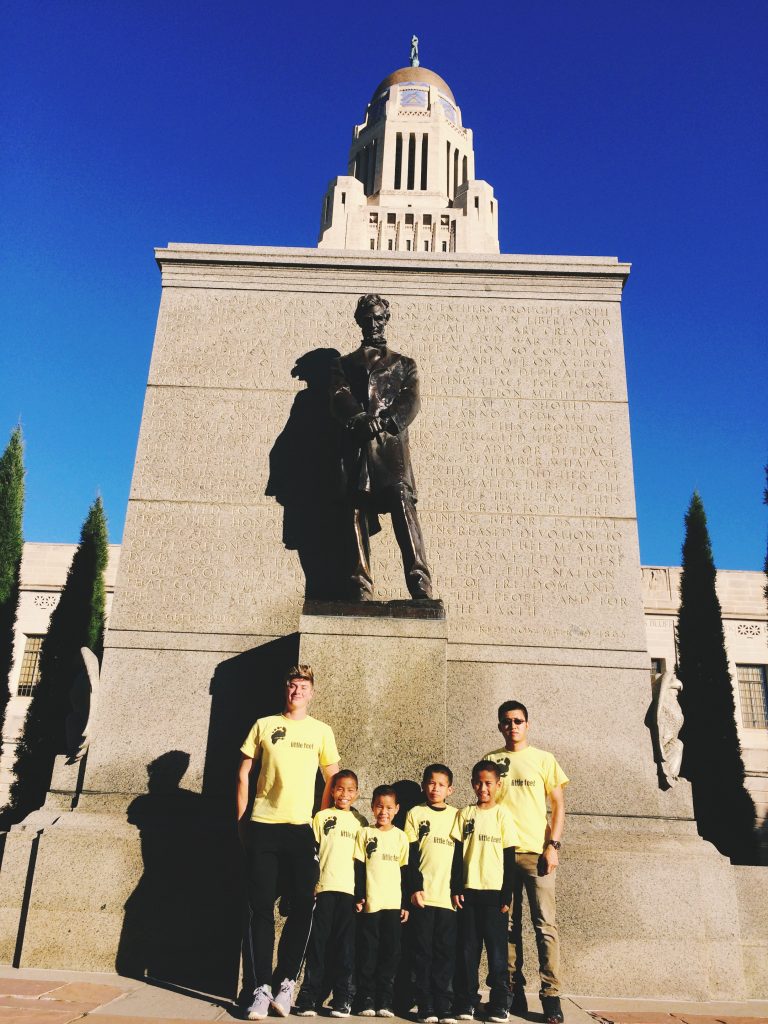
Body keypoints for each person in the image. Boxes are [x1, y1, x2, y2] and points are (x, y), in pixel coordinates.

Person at [237, 665, 340, 1020]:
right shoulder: (264, 725)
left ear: (312, 693)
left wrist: (320, 819)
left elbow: (334, 778)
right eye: (292, 685)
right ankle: (260, 988)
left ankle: (286, 982)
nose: (297, 691)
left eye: (303, 686)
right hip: (264, 824)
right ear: (286, 690)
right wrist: (242, 822)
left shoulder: (321, 731)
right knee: (261, 908)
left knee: (303, 905)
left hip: (301, 829)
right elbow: (243, 774)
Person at [329, 293, 433, 601]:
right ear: (360, 321)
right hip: (358, 449)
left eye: (380, 318)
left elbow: (411, 400)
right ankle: (360, 585)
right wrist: (360, 418)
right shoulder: (343, 364)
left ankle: (420, 583)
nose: (375, 324)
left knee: (403, 508)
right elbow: (338, 394)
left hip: (390, 450)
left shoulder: (404, 364)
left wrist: (388, 420)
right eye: (369, 318)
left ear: (386, 321)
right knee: (356, 513)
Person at [484, 702, 568, 1024]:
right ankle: (510, 991)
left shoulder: (544, 760)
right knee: (506, 927)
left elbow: (559, 805)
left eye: (518, 721)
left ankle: (551, 996)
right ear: (500, 726)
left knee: (545, 925)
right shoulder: (492, 760)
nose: (513, 726)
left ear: (527, 725)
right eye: (506, 722)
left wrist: (553, 846)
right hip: (502, 854)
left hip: (537, 853)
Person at [451, 761, 519, 1024]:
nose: (483, 788)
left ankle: (500, 1003)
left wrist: (506, 895)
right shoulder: (465, 814)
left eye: (488, 783)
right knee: (468, 950)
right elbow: (457, 855)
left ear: (498, 785)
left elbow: (509, 859)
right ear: (472, 784)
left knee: (497, 952)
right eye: (478, 783)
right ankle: (467, 1001)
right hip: (469, 893)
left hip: (494, 896)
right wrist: (456, 887)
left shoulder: (503, 816)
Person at [295, 769, 364, 1019]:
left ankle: (343, 997)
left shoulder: (361, 823)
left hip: (348, 893)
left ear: (356, 794)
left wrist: (361, 895)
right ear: (332, 791)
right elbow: (310, 855)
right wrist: (309, 885)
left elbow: (362, 863)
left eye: (350, 790)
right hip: (323, 890)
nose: (344, 794)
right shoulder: (321, 817)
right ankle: (309, 997)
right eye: (339, 789)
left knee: (345, 947)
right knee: (318, 945)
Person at [405, 764, 459, 1024]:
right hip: (423, 898)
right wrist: (414, 888)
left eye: (440, 784)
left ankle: (443, 1004)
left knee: (445, 953)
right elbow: (411, 856)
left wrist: (458, 890)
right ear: (424, 784)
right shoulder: (415, 813)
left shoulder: (457, 816)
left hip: (448, 899)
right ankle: (425, 1004)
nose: (435, 788)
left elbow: (460, 858)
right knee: (422, 952)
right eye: (430, 782)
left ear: (450, 789)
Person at [354, 784, 410, 1016]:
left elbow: (405, 873)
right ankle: (366, 997)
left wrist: (405, 903)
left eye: (388, 807)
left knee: (390, 952)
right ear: (372, 807)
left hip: (393, 905)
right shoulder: (365, 833)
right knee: (369, 951)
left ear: (396, 809)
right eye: (379, 806)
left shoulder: (401, 837)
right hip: (371, 905)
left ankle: (385, 999)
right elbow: (358, 867)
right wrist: (359, 896)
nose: (383, 812)